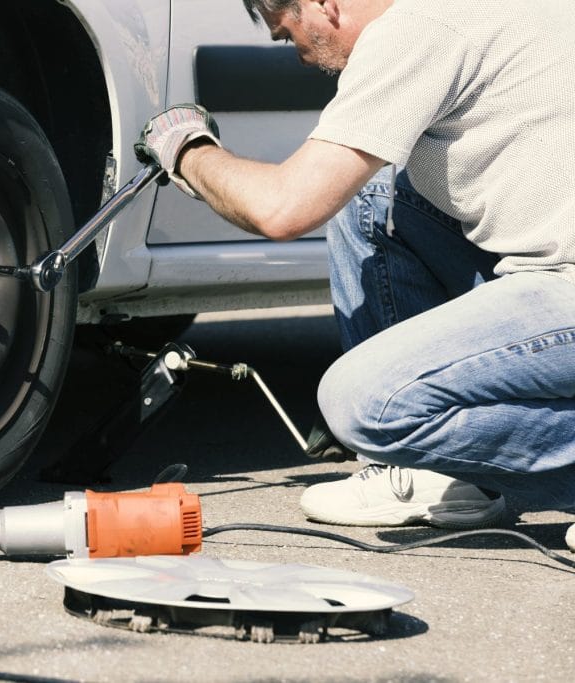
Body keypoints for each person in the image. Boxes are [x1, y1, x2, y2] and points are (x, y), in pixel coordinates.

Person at [134, 0, 575, 550]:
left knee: (361, 403)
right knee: (370, 194)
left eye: (286, 34)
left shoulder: (416, 29)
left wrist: (186, 149)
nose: (296, 57)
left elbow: (284, 208)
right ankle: (434, 476)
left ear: (324, 4)